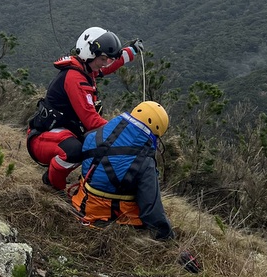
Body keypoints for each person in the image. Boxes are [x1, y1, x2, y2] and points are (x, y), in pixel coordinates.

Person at [26, 26, 144, 191]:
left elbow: (110, 65)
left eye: (107, 59)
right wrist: (126, 131)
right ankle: (54, 184)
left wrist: (131, 51)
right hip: (42, 140)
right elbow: (92, 121)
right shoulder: (75, 78)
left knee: (90, 144)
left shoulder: (86, 69)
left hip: (59, 132)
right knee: (76, 151)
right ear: (90, 54)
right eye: (103, 59)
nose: (105, 63)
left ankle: (58, 174)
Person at [69, 101, 174, 241]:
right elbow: (150, 209)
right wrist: (166, 236)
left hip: (80, 202)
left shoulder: (95, 134)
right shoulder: (144, 161)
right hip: (107, 216)